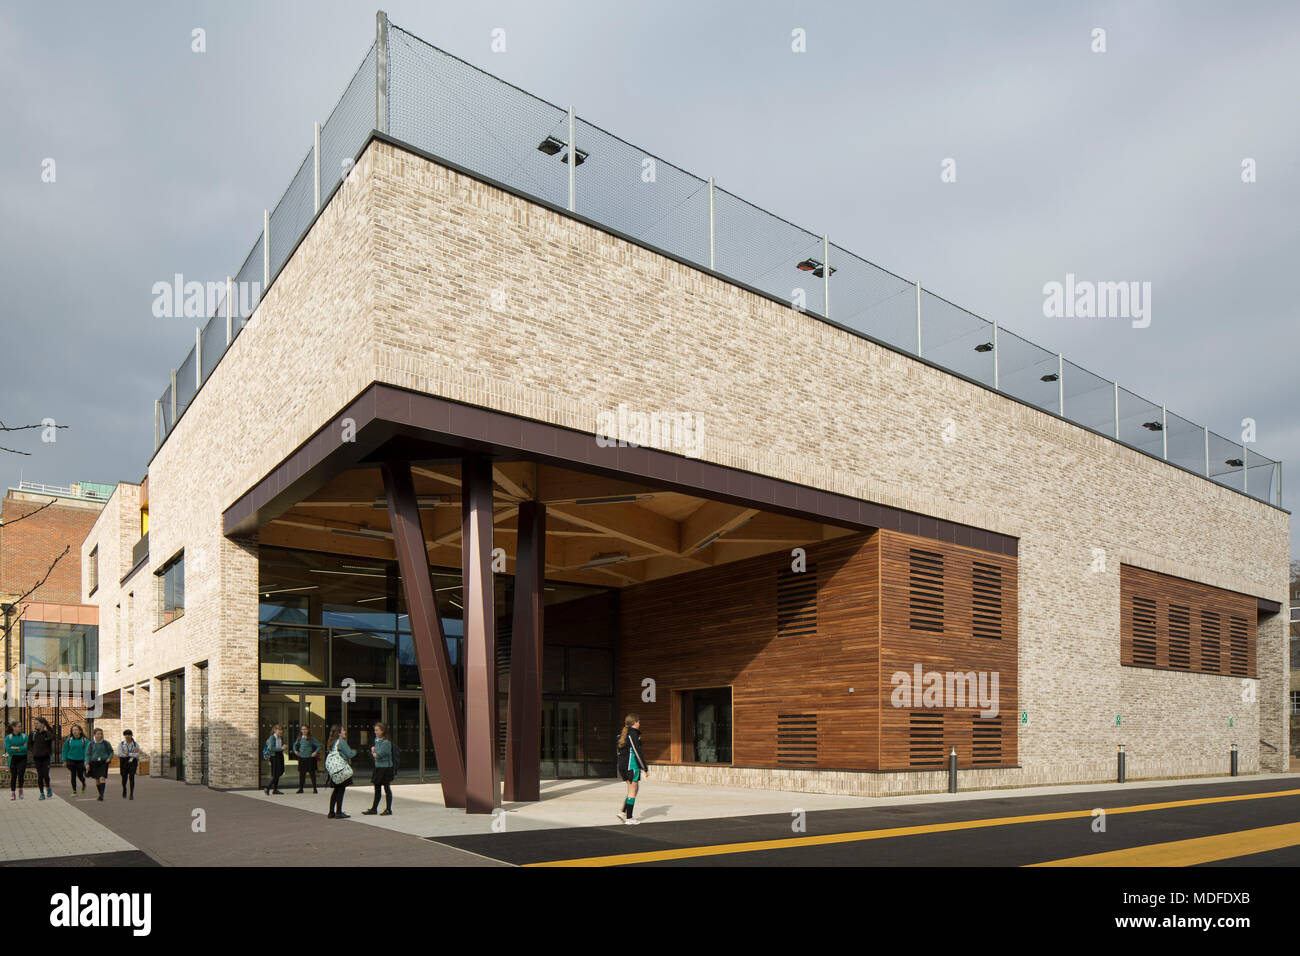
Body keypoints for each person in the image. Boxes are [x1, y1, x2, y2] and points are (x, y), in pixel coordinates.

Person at [615, 713, 649, 825]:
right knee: (632, 792)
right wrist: (644, 768)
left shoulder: (622, 735)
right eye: (638, 722)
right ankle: (629, 818)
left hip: (623, 766)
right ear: (634, 723)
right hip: (631, 766)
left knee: (633, 790)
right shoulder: (633, 735)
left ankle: (623, 812)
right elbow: (637, 752)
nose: (640, 723)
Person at [363, 721, 396, 816]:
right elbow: (376, 753)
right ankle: (374, 809)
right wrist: (375, 753)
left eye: (377, 730)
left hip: (385, 768)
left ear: (382, 731)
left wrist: (374, 752)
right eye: (375, 730)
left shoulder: (386, 742)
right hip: (378, 768)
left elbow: (379, 754)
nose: (375, 732)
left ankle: (388, 809)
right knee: (377, 788)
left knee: (386, 788)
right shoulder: (376, 740)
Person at [323, 724, 354, 819]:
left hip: (334, 771)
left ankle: (331, 812)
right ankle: (339, 812)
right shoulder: (341, 742)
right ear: (339, 733)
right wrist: (355, 751)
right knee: (341, 790)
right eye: (343, 731)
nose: (345, 732)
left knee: (335, 790)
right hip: (341, 770)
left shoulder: (332, 742)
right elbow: (350, 754)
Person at [28, 718, 55, 800]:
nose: (35, 725)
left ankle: (48, 788)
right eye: (35, 723)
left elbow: (53, 737)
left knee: (46, 774)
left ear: (42, 724)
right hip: (37, 758)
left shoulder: (47, 733)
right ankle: (42, 793)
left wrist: (47, 729)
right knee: (40, 775)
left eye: (37, 723)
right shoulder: (33, 733)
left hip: (46, 757)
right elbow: (29, 744)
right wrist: (34, 751)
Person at [291, 726, 321, 794]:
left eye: (305, 729)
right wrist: (295, 751)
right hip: (302, 758)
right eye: (302, 729)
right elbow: (294, 745)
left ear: (308, 730)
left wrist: (315, 752)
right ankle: (301, 788)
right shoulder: (299, 738)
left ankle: (314, 788)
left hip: (310, 758)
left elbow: (319, 745)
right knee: (302, 774)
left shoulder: (311, 738)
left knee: (312, 774)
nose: (304, 731)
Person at [86, 728, 114, 801]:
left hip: (103, 762)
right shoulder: (91, 744)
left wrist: (109, 758)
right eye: (98, 734)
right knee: (97, 779)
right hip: (94, 763)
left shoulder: (106, 743)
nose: (100, 735)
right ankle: (100, 793)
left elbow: (111, 752)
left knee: (102, 778)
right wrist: (87, 764)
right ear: (94, 734)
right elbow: (88, 754)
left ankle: (102, 795)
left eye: (101, 734)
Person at [4, 722, 29, 800]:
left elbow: (27, 749)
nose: (20, 728)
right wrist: (21, 748)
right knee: (13, 776)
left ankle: (20, 790)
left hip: (22, 758)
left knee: (21, 774)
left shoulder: (25, 737)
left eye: (21, 726)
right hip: (13, 759)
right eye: (19, 726)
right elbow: (9, 750)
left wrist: (15, 748)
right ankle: (13, 793)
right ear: (13, 727)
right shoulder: (8, 738)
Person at [61, 724, 88, 795]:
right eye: (73, 730)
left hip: (80, 760)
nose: (74, 732)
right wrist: (64, 760)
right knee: (73, 775)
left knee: (80, 775)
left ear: (80, 731)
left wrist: (86, 761)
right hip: (71, 760)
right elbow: (65, 750)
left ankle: (83, 783)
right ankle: (74, 790)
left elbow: (86, 751)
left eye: (76, 730)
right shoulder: (69, 740)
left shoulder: (84, 740)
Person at [262, 724, 288, 795]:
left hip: (280, 755)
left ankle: (275, 790)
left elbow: (280, 747)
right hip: (274, 756)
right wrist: (281, 748)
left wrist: (283, 747)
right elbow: (271, 748)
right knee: (276, 773)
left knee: (280, 772)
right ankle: (268, 787)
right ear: (275, 730)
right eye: (278, 730)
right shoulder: (272, 738)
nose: (280, 731)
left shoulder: (281, 738)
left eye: (281, 730)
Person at [117, 730, 142, 799]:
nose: (127, 736)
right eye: (126, 735)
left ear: (131, 736)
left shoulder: (135, 744)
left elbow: (137, 755)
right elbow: (120, 754)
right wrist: (131, 753)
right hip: (123, 762)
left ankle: (131, 794)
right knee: (124, 778)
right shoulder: (121, 744)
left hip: (132, 762)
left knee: (131, 777)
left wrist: (127, 753)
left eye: (129, 735)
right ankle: (124, 789)